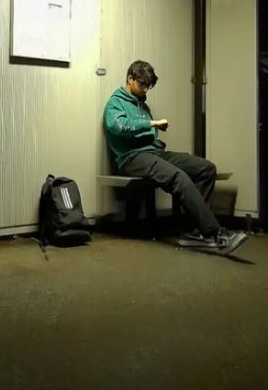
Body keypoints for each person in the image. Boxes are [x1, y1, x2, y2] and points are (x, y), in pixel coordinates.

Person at [103, 60, 248, 256]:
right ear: (130, 78)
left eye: (149, 85)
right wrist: (152, 124)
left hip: (154, 153)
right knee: (178, 177)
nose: (146, 89)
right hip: (132, 157)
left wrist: (153, 129)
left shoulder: (143, 106)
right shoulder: (115, 102)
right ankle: (216, 234)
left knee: (206, 168)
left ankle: (194, 233)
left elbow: (148, 135)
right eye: (142, 84)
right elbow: (118, 126)